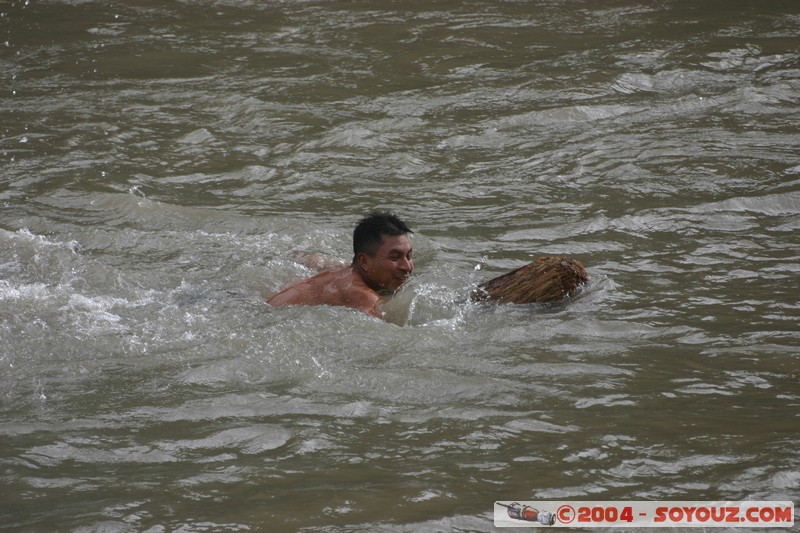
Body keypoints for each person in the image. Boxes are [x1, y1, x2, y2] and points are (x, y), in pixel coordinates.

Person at [267, 212, 413, 319]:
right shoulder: (362, 296)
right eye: (395, 257)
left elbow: (309, 258)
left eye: (409, 256)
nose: (406, 267)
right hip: (273, 318)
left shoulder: (341, 269)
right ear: (363, 261)